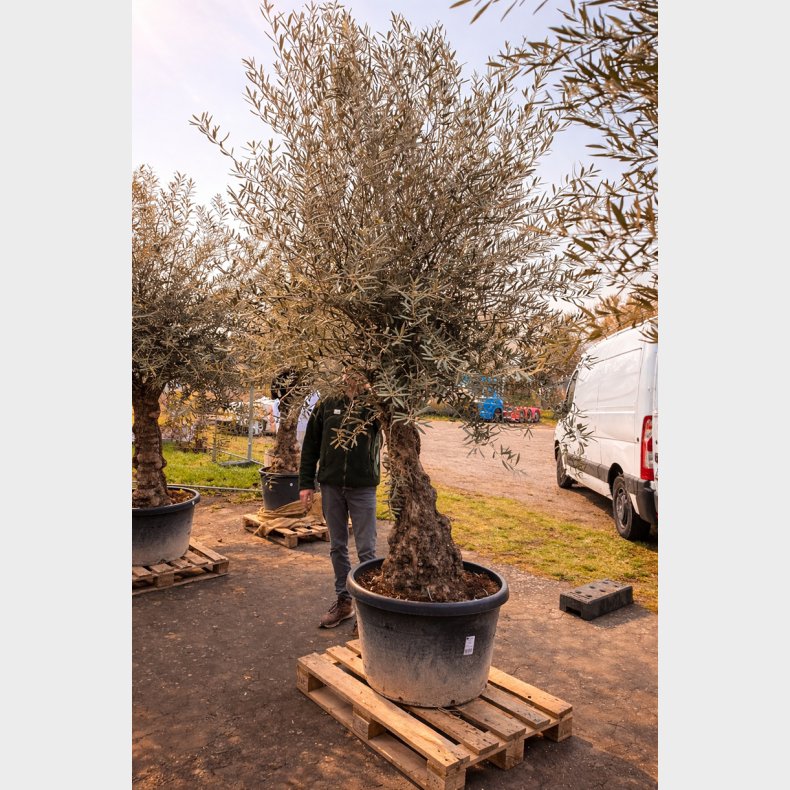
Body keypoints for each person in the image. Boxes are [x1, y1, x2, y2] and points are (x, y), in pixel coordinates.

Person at [298, 371, 382, 628]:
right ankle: (344, 602)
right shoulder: (328, 402)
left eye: (356, 369)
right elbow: (310, 444)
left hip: (363, 487)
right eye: (347, 369)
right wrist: (305, 484)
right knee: (337, 546)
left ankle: (368, 611)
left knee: (367, 550)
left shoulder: (374, 403)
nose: (350, 374)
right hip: (331, 485)